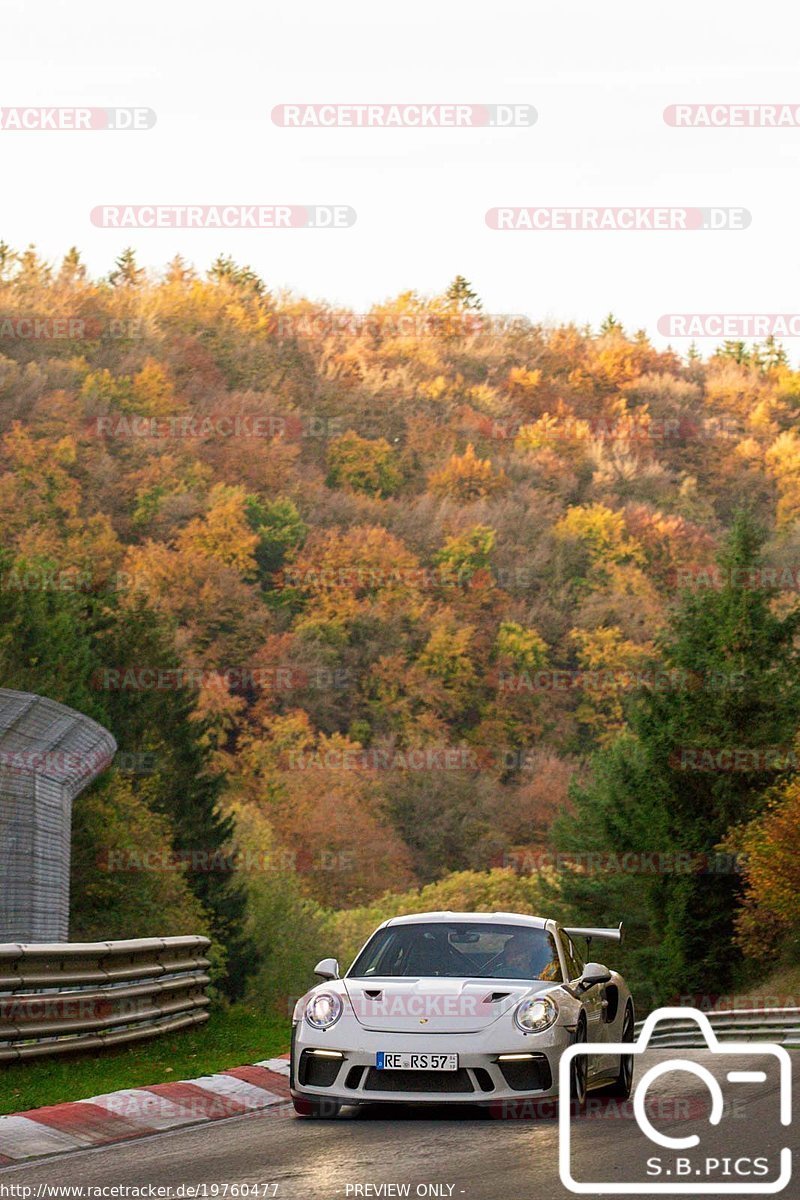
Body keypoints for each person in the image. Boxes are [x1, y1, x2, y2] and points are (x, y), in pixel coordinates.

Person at [496, 933, 561, 981]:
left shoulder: (546, 974)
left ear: (528, 956)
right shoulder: (497, 976)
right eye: (509, 954)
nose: (513, 958)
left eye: (517, 953)